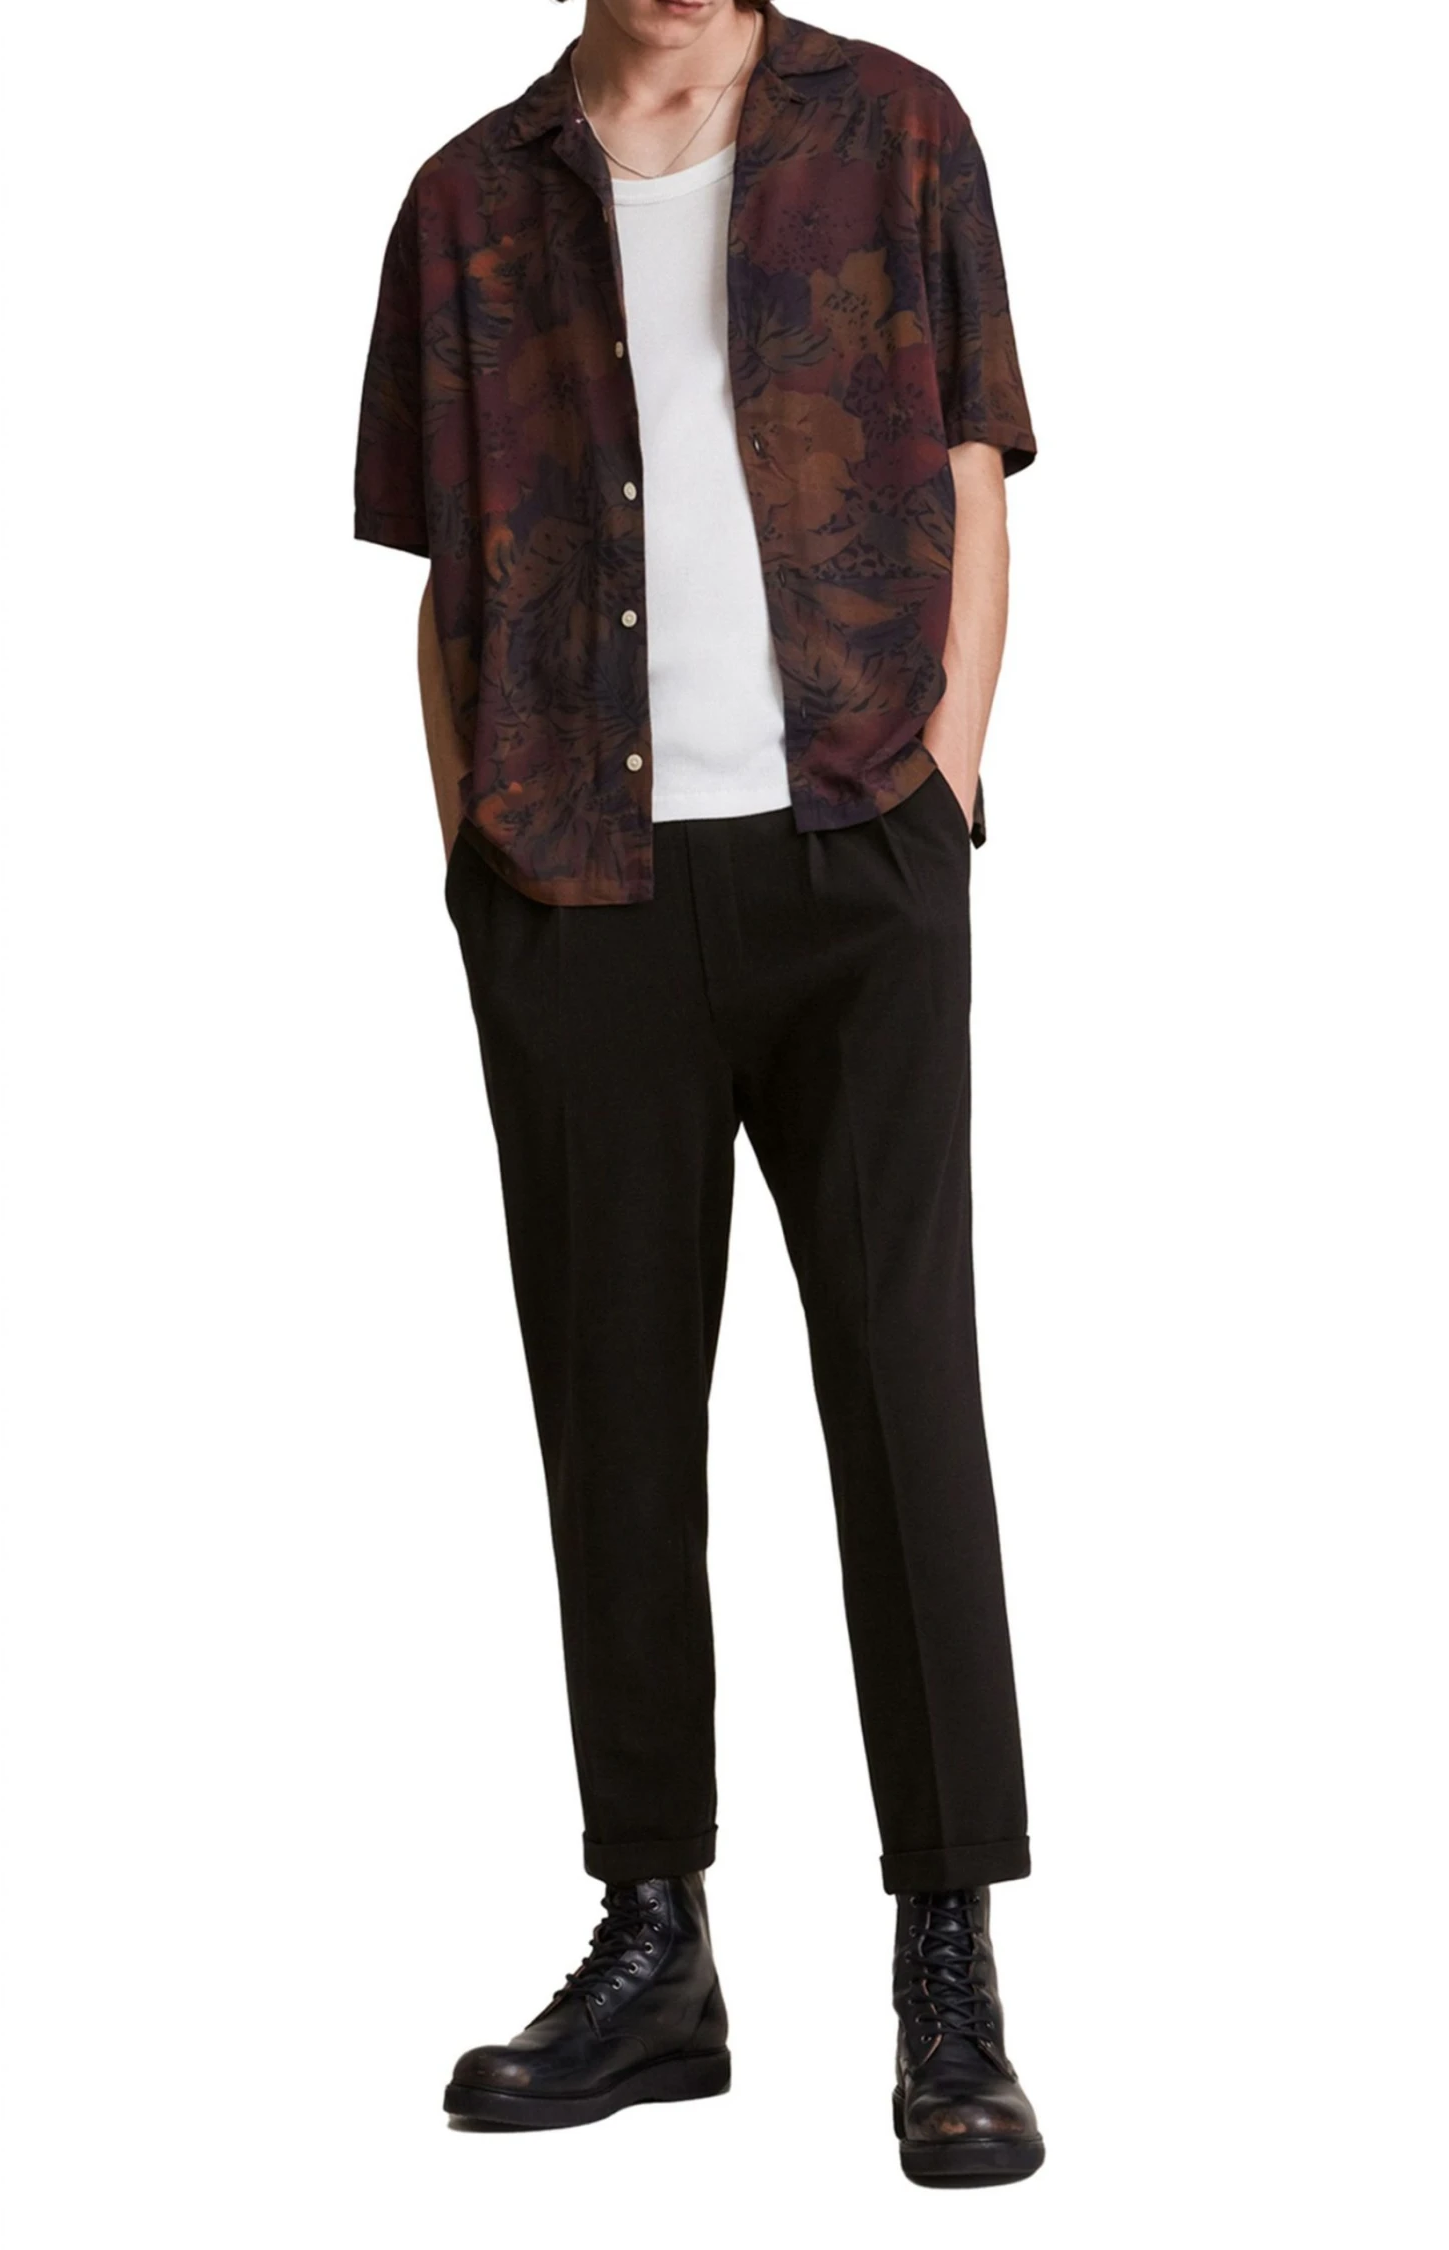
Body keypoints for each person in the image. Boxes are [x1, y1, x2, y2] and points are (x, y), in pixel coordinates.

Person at [354, 0, 1043, 2187]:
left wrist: (943, 785)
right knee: (617, 1419)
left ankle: (949, 1963)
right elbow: (446, 575)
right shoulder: (467, 203)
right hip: (578, 884)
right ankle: (655, 1942)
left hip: (857, 858)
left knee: (906, 1400)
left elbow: (971, 465)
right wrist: (477, 863)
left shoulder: (899, 131)